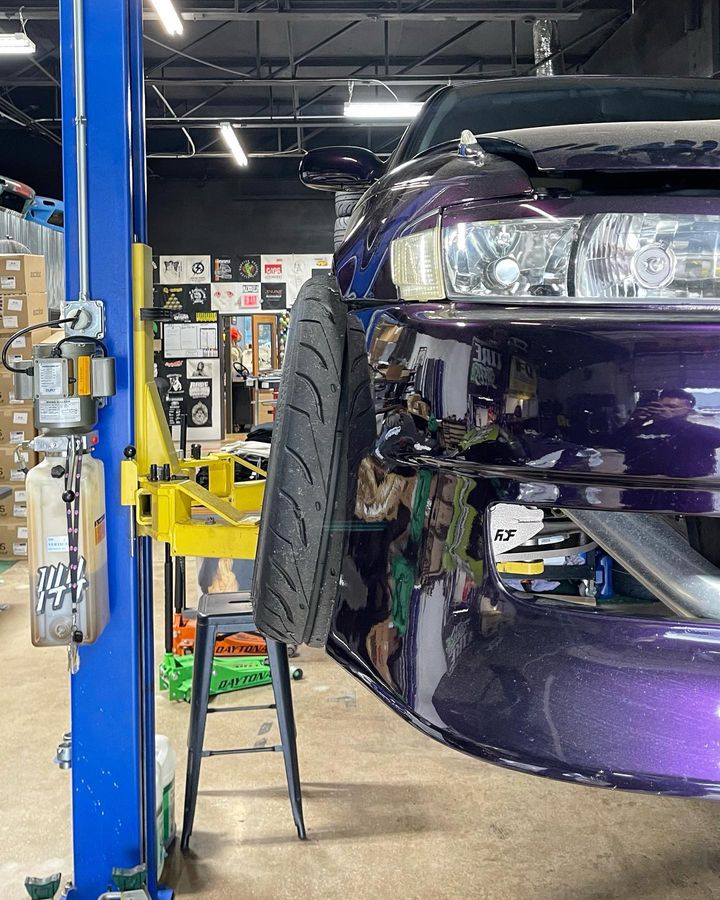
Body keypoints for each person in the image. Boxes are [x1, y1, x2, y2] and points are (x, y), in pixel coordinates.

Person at [613, 388, 720, 511]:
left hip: (690, 500)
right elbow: (611, 444)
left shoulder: (697, 432)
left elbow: (716, 437)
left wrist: (672, 421)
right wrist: (633, 423)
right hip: (640, 499)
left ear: (688, 411)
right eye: (660, 406)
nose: (663, 410)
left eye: (672, 407)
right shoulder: (639, 431)